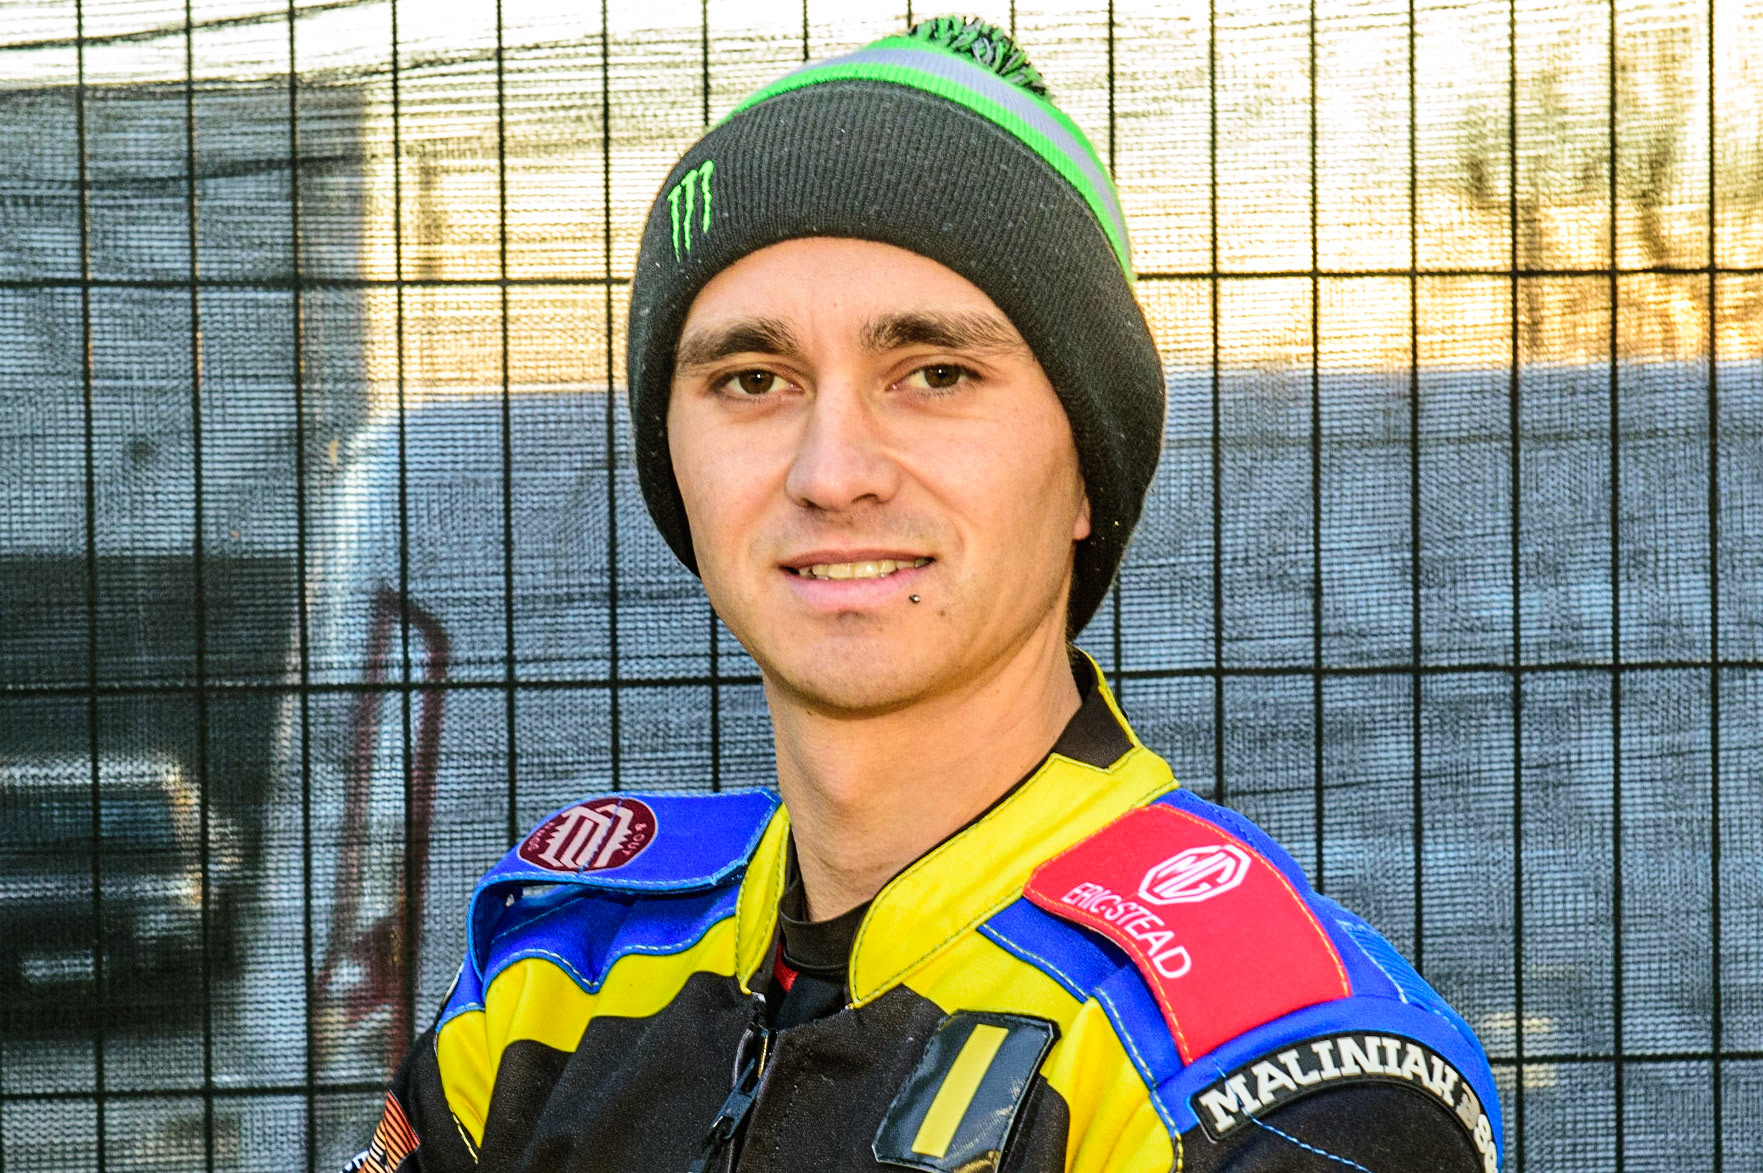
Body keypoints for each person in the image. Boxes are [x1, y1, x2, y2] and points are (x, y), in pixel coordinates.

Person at [347, 15, 1501, 1173]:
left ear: (1084, 477)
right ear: (674, 466)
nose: (831, 472)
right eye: (752, 380)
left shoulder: (1268, 1089)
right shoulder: (557, 964)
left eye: (936, 375)